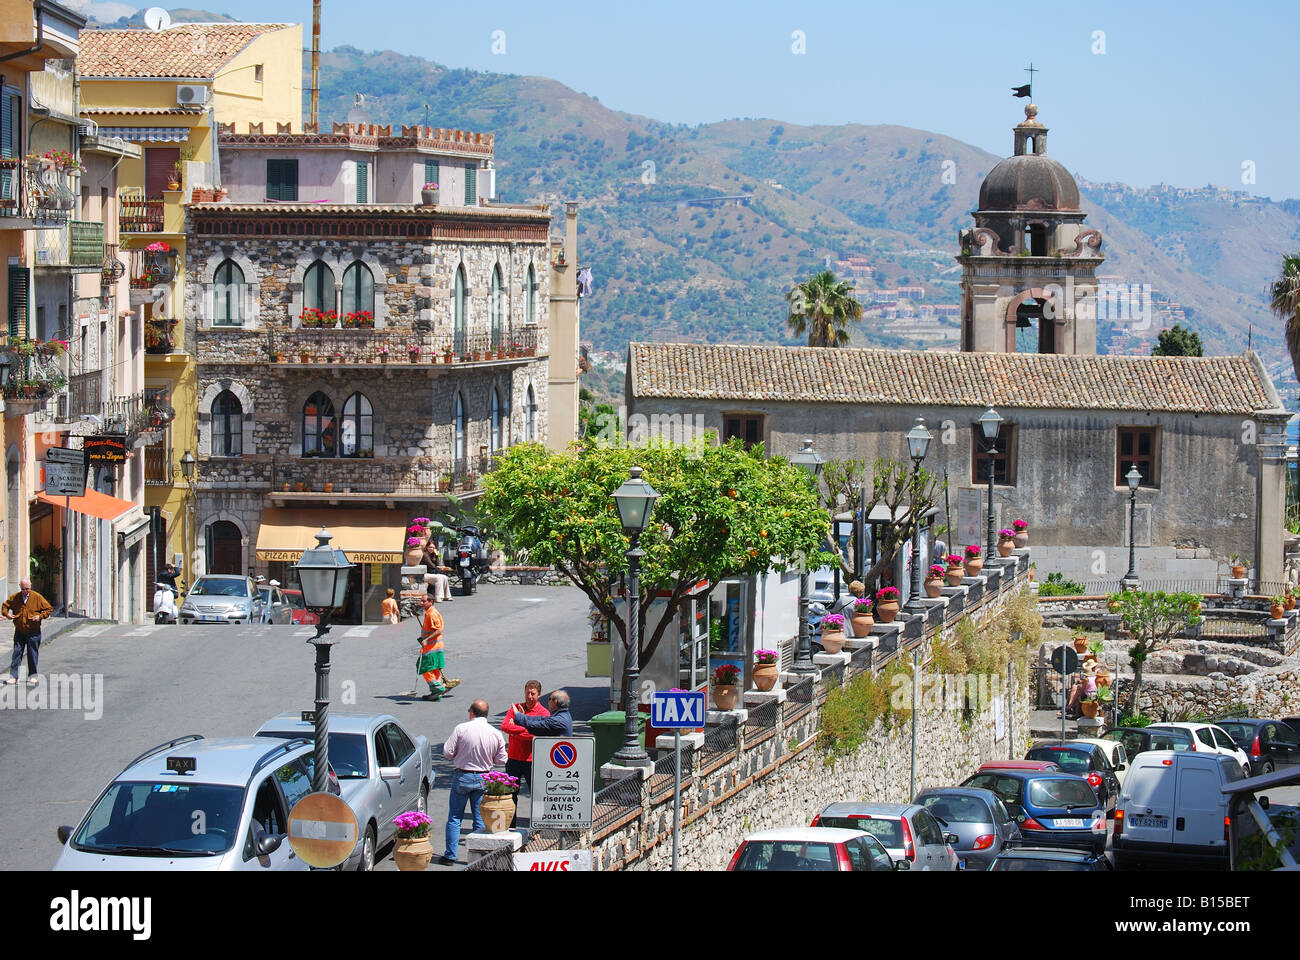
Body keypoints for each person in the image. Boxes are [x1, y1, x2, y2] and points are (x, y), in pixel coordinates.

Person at [440, 698, 507, 866]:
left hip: (463, 776)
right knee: (479, 818)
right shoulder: (494, 733)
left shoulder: (461, 729)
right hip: (483, 777)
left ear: (471, 713)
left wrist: (460, 755)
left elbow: (447, 752)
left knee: (455, 817)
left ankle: (450, 855)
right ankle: (478, 856)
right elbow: (501, 760)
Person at [501, 680, 551, 826]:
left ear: (539, 695)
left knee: (537, 796)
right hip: (514, 759)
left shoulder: (543, 713)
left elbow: (539, 734)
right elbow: (504, 726)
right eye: (527, 693)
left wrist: (517, 728)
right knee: (510, 795)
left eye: (533, 694)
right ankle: (511, 827)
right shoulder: (516, 708)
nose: (529, 696)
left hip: (532, 761)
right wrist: (527, 729)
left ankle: (538, 827)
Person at [2, 578, 53, 686]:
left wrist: (40, 616)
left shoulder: (37, 597)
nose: (26, 591)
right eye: (23, 589)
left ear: (30, 587)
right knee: (17, 652)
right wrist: (7, 614)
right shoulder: (15, 597)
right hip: (20, 630)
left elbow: (49, 609)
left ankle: (33, 675)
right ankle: (14, 676)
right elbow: (5, 605)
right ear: (20, 588)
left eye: (28, 589)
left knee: (32, 653)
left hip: (33, 631)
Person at [416, 595, 460, 700]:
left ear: (431, 601)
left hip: (432, 646)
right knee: (434, 668)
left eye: (423, 601)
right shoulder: (429, 613)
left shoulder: (432, 614)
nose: (421, 603)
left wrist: (426, 640)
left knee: (423, 667)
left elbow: (438, 630)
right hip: (435, 646)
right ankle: (436, 695)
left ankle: (437, 687)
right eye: (421, 601)